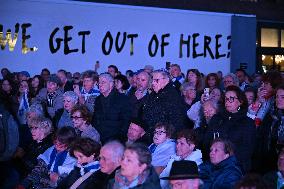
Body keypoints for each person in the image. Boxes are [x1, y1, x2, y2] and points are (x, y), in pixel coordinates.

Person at [203, 85, 256, 173]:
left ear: (240, 101)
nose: (227, 102)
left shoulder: (247, 123)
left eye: (231, 98)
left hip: (236, 167)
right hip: (213, 165)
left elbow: (247, 150)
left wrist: (226, 159)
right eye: (226, 99)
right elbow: (206, 142)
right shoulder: (216, 119)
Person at [142, 69, 187, 135]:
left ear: (166, 80)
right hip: (151, 132)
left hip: (163, 137)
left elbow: (175, 122)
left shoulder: (172, 96)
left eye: (156, 80)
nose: (153, 83)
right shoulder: (154, 93)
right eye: (152, 80)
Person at [92, 73, 131, 144]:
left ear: (111, 84)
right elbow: (95, 119)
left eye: (103, 82)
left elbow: (126, 121)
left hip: (116, 140)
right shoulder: (98, 100)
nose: (100, 85)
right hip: (99, 138)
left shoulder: (122, 99)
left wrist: (119, 139)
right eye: (99, 83)